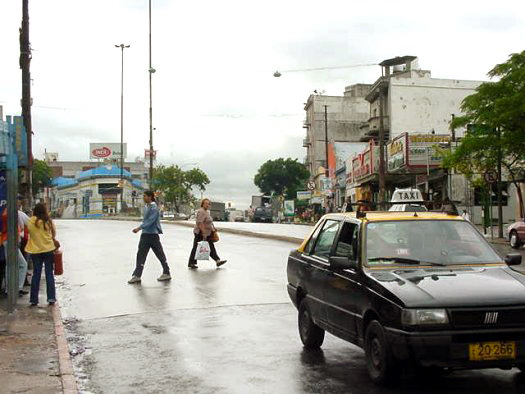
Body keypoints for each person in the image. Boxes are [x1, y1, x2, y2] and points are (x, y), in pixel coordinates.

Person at [128, 191, 171, 284]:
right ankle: (137, 275)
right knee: (141, 255)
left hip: (152, 235)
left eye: (145, 196)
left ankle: (166, 272)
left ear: (150, 197)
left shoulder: (154, 207)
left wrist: (139, 228)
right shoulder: (147, 206)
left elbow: (150, 221)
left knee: (159, 254)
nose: (143, 198)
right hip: (146, 234)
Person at [25, 203, 57, 306]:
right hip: (48, 249)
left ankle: (34, 300)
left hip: (35, 251)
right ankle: (51, 298)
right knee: (49, 274)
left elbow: (29, 232)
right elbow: (54, 234)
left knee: (36, 274)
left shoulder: (30, 221)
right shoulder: (48, 221)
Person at [188, 198, 227, 269]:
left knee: (211, 247)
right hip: (200, 233)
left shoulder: (206, 212)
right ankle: (191, 263)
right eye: (206, 203)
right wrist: (204, 233)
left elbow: (209, 222)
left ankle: (217, 261)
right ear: (202, 204)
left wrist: (213, 229)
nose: (207, 205)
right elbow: (199, 223)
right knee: (196, 248)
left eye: (208, 203)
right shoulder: (201, 211)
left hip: (208, 233)